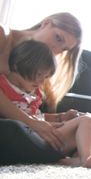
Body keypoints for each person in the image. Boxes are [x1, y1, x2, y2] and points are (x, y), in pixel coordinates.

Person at [0, 40, 91, 168]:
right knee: (87, 120)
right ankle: (87, 160)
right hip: (29, 137)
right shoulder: (3, 85)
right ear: (18, 65)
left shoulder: (33, 92)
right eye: (39, 74)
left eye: (44, 77)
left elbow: (38, 116)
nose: (41, 81)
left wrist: (61, 117)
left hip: (47, 137)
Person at [0, 12, 82, 150]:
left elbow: (25, 108)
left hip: (17, 125)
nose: (56, 50)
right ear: (46, 23)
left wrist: (61, 118)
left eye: (63, 50)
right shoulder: (3, 35)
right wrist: (31, 123)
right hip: (12, 126)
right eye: (58, 38)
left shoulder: (40, 69)